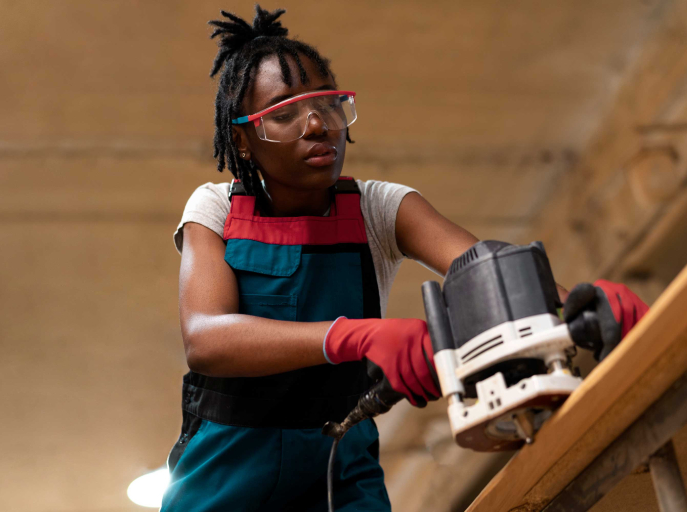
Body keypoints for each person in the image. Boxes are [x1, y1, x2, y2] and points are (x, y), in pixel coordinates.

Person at [161, 6, 649, 511]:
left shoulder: (381, 208)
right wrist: (357, 336)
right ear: (241, 138)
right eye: (284, 113)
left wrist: (578, 306)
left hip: (339, 462)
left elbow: (487, 273)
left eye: (327, 104)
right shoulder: (216, 208)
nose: (316, 125)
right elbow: (205, 337)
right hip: (225, 470)